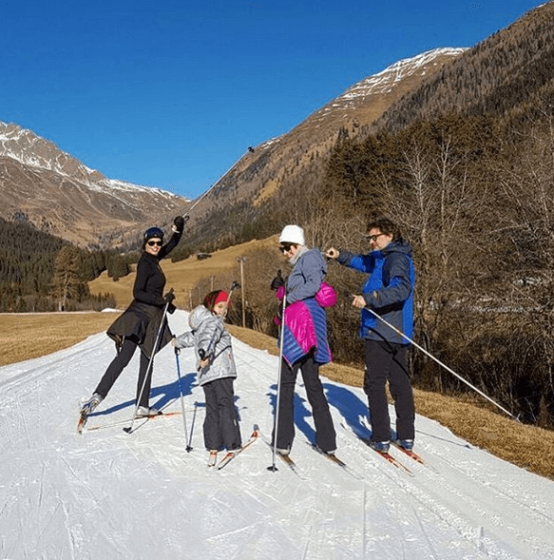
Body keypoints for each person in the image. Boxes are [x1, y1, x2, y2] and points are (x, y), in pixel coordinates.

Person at [80, 215, 186, 420]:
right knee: (124, 358)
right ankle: (95, 398)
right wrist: (163, 302)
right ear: (145, 245)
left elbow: (172, 244)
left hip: (152, 317)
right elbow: (138, 293)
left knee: (147, 359)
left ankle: (142, 406)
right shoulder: (146, 263)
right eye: (152, 243)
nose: (156, 246)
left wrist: (179, 228)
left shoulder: (155, 259)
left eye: (158, 242)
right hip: (138, 316)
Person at [326, 216, 416, 453]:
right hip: (394, 329)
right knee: (399, 382)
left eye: (374, 238)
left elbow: (401, 289)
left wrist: (370, 298)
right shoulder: (385, 257)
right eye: (369, 238)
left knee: (375, 383)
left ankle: (381, 437)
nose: (371, 242)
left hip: (383, 328)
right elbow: (363, 262)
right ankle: (406, 436)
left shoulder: (395, 259)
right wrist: (341, 256)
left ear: (389, 235)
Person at [271, 224, 337, 456]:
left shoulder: (309, 258)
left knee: (287, 385)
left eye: (287, 247)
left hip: (299, 330)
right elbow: (302, 289)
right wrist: (281, 290)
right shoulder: (305, 261)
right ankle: (327, 442)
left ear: (297, 244)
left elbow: (312, 286)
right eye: (283, 249)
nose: (285, 252)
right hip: (309, 330)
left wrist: (286, 299)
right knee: (313, 386)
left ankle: (282, 440)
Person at [173, 290, 242, 466]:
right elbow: (208, 339)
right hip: (221, 371)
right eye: (220, 306)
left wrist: (177, 342)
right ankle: (232, 442)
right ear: (211, 306)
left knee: (212, 408)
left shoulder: (202, 325)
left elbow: (193, 338)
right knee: (225, 405)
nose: (223, 310)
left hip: (206, 375)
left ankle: (213, 444)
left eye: (225, 307)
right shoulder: (214, 322)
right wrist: (205, 354)